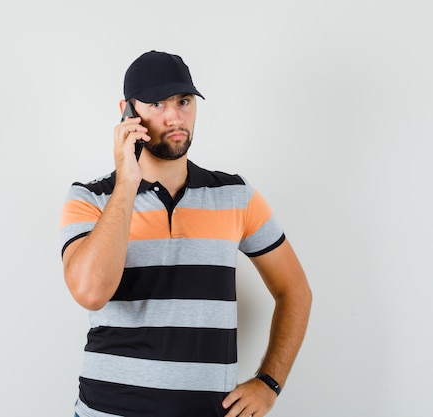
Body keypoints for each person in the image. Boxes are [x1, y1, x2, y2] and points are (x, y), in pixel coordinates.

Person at [60, 50, 312, 417]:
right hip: (108, 410)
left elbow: (296, 291)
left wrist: (269, 383)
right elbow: (90, 293)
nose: (175, 116)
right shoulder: (91, 198)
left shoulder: (235, 196)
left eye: (184, 101)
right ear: (127, 111)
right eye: (157, 103)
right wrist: (127, 182)